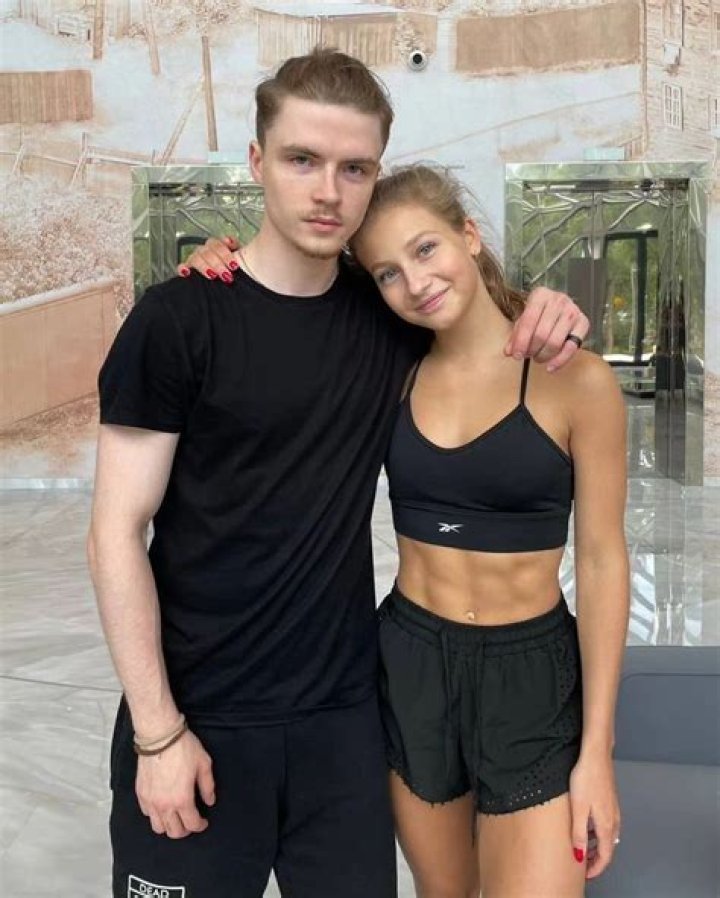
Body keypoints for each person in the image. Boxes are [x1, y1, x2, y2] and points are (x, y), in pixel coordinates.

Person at [87, 49, 589, 898]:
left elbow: (473, 319)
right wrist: (158, 733)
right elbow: (114, 534)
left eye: (354, 168)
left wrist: (550, 304)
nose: (328, 191)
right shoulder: (178, 320)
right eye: (302, 160)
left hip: (343, 730)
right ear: (257, 162)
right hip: (199, 722)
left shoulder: (385, 316)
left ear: (374, 175)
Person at [347, 164, 627, 898]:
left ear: (469, 235)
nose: (415, 282)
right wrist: (217, 258)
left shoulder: (577, 379)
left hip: (530, 675)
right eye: (387, 273)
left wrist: (597, 751)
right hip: (412, 665)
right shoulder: (389, 372)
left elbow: (602, 561)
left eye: (425, 249)